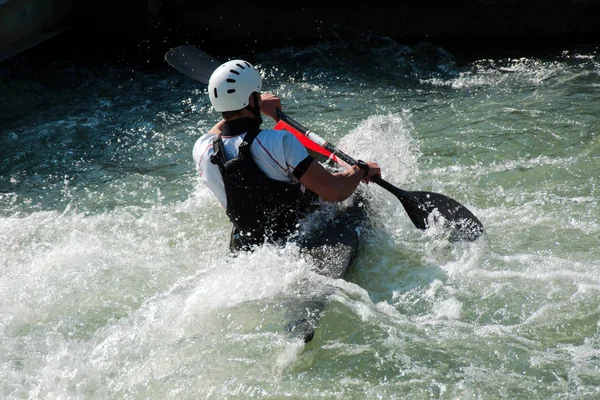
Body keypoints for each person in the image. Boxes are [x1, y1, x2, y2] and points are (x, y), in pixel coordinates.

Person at [192, 59, 381, 251]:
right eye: (256, 93)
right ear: (251, 100)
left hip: (251, 244)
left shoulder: (202, 150)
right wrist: (362, 169)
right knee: (353, 187)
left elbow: (218, 131)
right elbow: (334, 191)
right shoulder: (278, 141)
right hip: (300, 238)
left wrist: (251, 104)